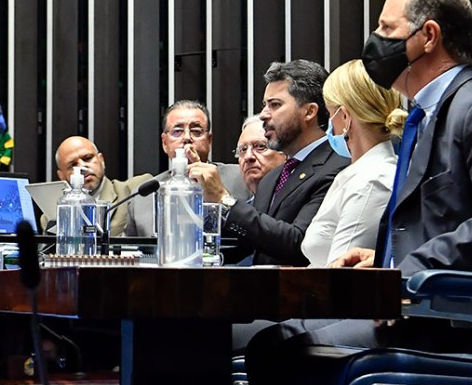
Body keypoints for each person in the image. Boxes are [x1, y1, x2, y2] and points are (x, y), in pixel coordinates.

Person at [243, 0, 472, 385]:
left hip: (446, 317)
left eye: (387, 30)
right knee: (273, 343)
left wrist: (406, 271)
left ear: (428, 36)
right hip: (409, 304)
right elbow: (438, 215)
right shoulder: (423, 113)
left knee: (278, 350)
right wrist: (380, 258)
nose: (376, 43)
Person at [189, 59, 349, 266]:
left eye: (275, 105)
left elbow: (299, 243)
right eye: (265, 105)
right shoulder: (273, 177)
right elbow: (248, 243)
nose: (264, 114)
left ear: (309, 111)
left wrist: (224, 200)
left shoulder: (337, 168)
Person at [300, 60, 404, 267]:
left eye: (330, 116)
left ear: (345, 117)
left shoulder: (372, 180)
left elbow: (342, 271)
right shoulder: (360, 172)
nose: (329, 126)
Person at [123, 100, 250, 236]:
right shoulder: (144, 196)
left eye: (196, 131)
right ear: (165, 143)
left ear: (209, 141)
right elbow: (129, 251)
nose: (187, 137)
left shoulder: (241, 178)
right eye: (177, 131)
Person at [55, 136, 153, 236]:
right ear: (61, 175)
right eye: (73, 165)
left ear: (101, 160)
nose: (82, 167)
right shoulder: (55, 212)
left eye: (88, 158)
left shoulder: (135, 190)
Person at [234, 115, 286, 196]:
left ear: (285, 155)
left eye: (260, 146)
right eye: (243, 149)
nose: (248, 156)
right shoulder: (240, 207)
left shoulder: (300, 202)